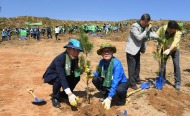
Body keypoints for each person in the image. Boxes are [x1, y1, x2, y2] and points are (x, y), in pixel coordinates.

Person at [43, 38, 83, 108]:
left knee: (76, 77)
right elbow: (61, 76)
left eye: (78, 51)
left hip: (64, 74)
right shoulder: (60, 59)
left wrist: (83, 70)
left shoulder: (75, 58)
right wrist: (70, 93)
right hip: (52, 76)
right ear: (68, 49)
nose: (76, 53)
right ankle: (55, 97)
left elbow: (74, 70)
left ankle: (64, 94)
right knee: (58, 79)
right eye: (74, 50)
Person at [92, 42, 129, 110]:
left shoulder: (116, 63)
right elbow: (98, 72)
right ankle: (106, 94)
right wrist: (91, 74)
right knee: (95, 79)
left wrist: (109, 98)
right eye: (104, 51)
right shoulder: (101, 62)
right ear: (101, 54)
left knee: (119, 90)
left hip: (120, 82)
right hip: (108, 80)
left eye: (108, 51)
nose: (106, 53)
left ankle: (121, 99)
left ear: (112, 52)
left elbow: (115, 81)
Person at [125, 13, 152, 90]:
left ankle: (137, 79)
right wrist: (146, 31)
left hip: (137, 49)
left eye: (147, 22)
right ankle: (132, 83)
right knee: (132, 67)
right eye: (144, 22)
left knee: (137, 65)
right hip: (131, 50)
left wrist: (158, 38)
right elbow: (139, 38)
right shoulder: (135, 26)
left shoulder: (144, 27)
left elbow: (149, 35)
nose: (145, 24)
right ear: (141, 20)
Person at [156, 20, 182, 90]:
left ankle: (177, 82)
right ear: (168, 27)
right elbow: (157, 34)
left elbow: (175, 42)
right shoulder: (163, 28)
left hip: (174, 50)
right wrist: (157, 41)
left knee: (176, 65)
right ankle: (162, 79)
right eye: (169, 30)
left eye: (172, 31)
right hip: (164, 49)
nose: (170, 32)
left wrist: (169, 50)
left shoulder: (178, 32)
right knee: (162, 65)